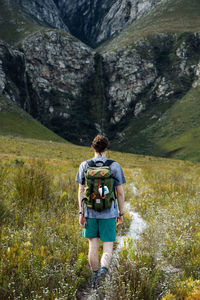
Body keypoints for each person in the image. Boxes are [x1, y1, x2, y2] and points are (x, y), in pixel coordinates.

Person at [76, 134, 126, 287]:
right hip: (109, 213)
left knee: (93, 246)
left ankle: (95, 276)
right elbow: (120, 193)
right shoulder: (115, 166)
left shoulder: (85, 165)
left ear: (93, 148)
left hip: (90, 213)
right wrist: (121, 213)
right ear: (106, 149)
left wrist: (81, 212)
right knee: (108, 247)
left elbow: (80, 190)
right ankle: (104, 270)